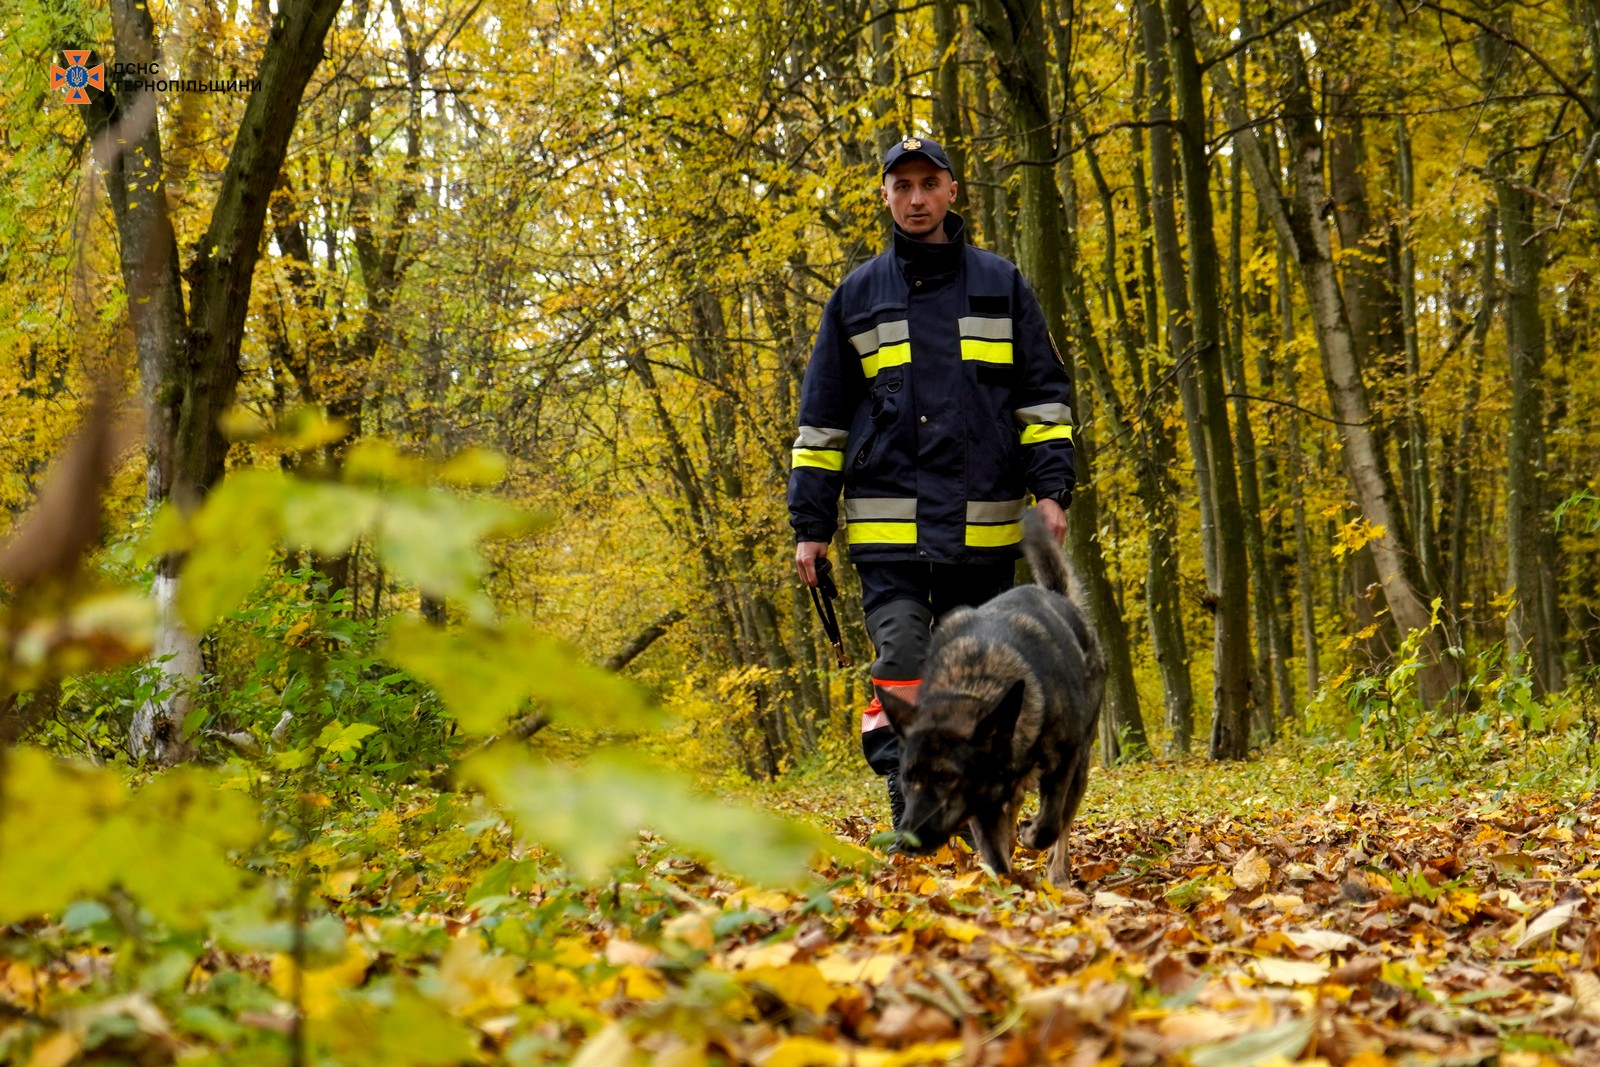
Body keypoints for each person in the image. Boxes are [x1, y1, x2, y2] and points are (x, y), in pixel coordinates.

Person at [788, 135, 1077, 832]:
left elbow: (1042, 400)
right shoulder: (856, 296)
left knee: (974, 680)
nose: (916, 199)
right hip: (888, 536)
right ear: (884, 197)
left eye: (929, 184)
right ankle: (908, 795)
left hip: (982, 533)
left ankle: (979, 805)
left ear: (952, 192)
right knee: (903, 663)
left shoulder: (1002, 284)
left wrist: (1051, 493)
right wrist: (810, 526)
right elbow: (821, 422)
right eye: (902, 186)